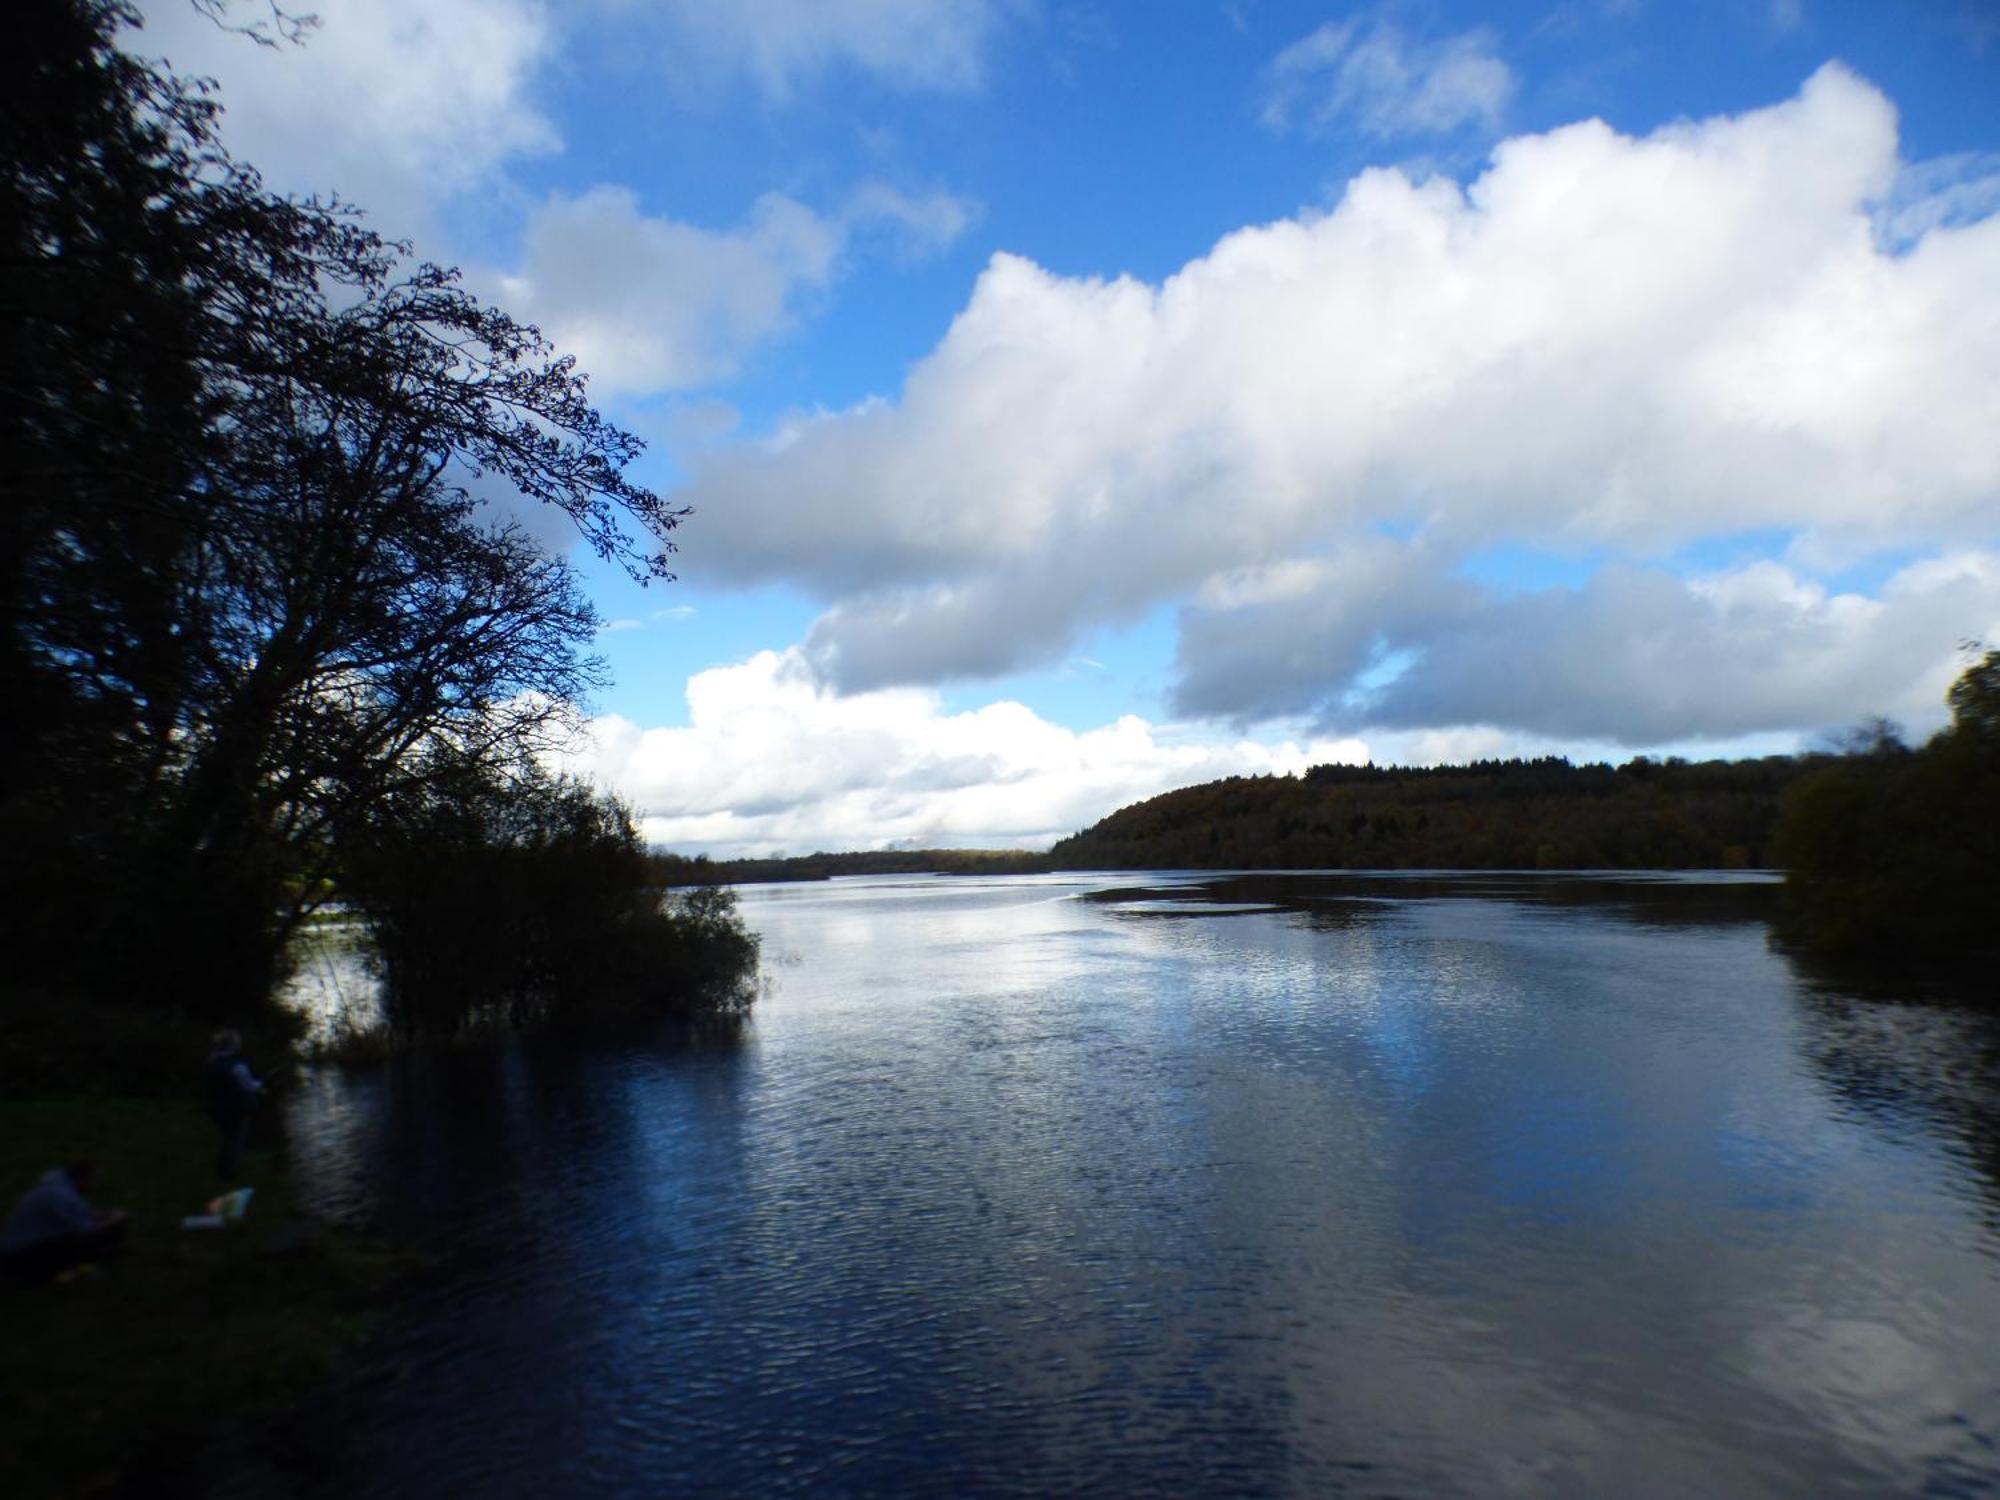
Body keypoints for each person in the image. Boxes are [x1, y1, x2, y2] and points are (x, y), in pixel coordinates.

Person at [1, 1161, 128, 1287]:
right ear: (82, 1179)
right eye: (92, 1181)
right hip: (20, 1256)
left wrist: (103, 1215)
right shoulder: (62, 1197)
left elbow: (79, 1214)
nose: (93, 1186)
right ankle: (48, 1273)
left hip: (16, 1251)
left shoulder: (56, 1189)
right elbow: (86, 1230)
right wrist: (116, 1220)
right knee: (83, 1239)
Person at [203, 1028, 265, 1180]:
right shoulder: (238, 1066)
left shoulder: (211, 1060)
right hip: (236, 1109)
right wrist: (260, 1085)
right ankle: (230, 1174)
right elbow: (249, 1086)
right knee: (235, 1140)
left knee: (226, 1138)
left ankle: (222, 1169)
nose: (240, 1044)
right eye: (237, 1042)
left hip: (216, 1107)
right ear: (232, 1045)